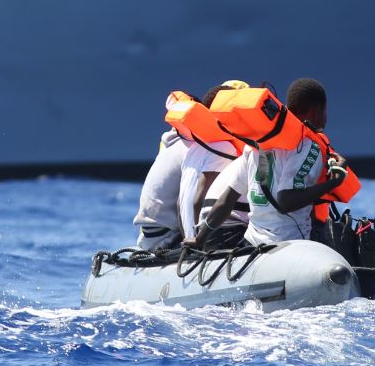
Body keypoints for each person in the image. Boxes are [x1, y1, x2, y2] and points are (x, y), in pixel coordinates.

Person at [191, 78, 348, 248]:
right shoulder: (307, 146)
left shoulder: (255, 144)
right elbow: (286, 201)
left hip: (251, 244)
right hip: (288, 242)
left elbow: (225, 201)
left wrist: (199, 240)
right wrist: (333, 182)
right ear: (316, 111)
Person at [133, 81, 242, 250]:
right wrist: (198, 241)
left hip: (151, 234)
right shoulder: (221, 147)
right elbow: (198, 200)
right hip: (167, 237)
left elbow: (181, 203)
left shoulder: (193, 145)